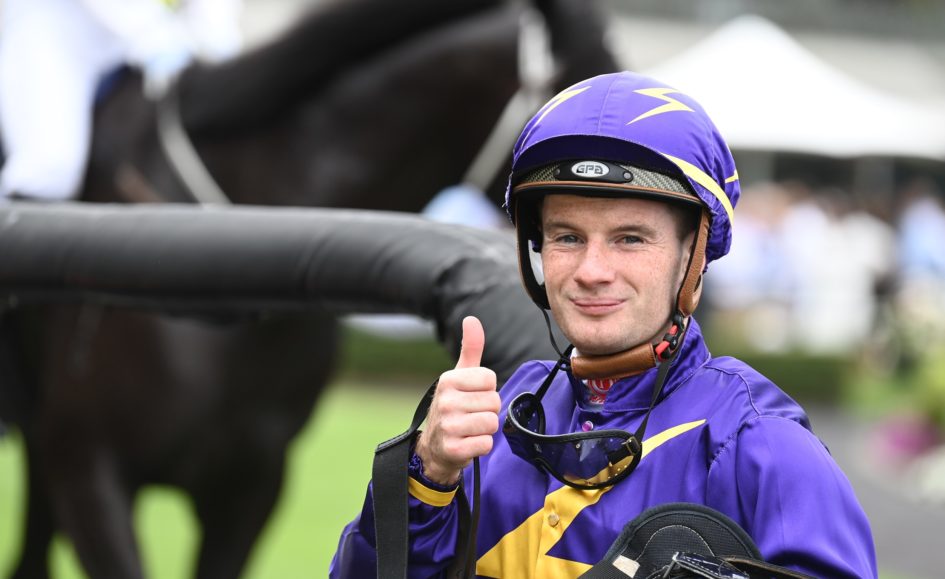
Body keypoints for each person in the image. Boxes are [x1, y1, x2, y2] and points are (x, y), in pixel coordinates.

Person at [330, 71, 877, 578]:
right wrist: (426, 475)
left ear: (693, 255)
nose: (592, 271)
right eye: (567, 237)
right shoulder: (497, 416)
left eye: (630, 239)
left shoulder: (762, 442)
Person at [0, 0, 243, 203]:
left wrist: (218, 47)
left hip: (149, 37)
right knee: (49, 169)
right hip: (52, 29)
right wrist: (153, 36)